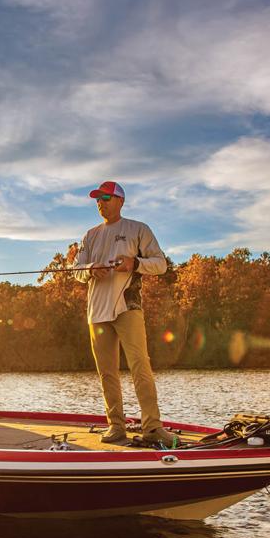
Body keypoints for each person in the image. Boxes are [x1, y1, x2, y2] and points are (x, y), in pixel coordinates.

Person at [67, 181, 176, 448]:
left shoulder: (138, 229)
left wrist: (134, 263)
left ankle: (152, 427)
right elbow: (75, 270)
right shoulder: (90, 235)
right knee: (107, 372)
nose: (100, 203)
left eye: (106, 198)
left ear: (120, 201)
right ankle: (115, 426)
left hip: (128, 308)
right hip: (97, 312)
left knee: (141, 365)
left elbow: (161, 264)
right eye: (97, 199)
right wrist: (91, 268)